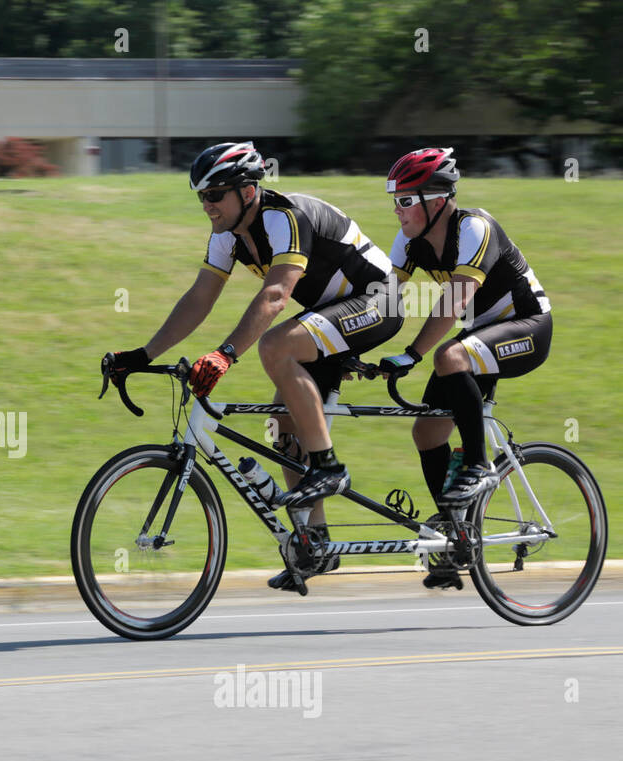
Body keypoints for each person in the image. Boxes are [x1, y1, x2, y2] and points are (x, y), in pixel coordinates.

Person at [108, 141, 403, 590]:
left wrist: (225, 355)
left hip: (378, 301)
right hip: (328, 315)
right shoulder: (228, 233)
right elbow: (200, 298)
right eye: (201, 197)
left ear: (247, 191)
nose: (207, 206)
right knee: (283, 422)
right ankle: (315, 545)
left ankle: (329, 468)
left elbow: (275, 297)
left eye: (215, 195)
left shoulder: (284, 216)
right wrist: (143, 354)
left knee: (274, 347)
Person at [377, 146, 552, 589]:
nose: (397, 210)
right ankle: (456, 537)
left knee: (448, 355)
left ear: (435, 200)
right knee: (427, 432)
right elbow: (384, 303)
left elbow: (455, 301)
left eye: (403, 200)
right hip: (481, 339)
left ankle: (477, 466)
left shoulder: (474, 228)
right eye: (394, 200)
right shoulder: (409, 242)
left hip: (527, 327)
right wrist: (348, 354)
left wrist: (413, 354)